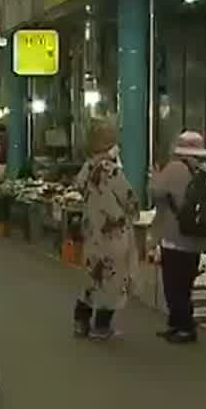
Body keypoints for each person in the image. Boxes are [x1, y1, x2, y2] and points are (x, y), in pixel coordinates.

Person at [72, 119, 137, 340]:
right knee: (113, 280)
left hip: (92, 232)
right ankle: (101, 326)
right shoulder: (111, 171)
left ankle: (81, 322)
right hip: (113, 235)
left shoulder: (87, 168)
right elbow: (129, 199)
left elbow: (79, 186)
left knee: (92, 277)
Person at [149, 131, 206, 344]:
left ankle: (184, 327)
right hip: (194, 238)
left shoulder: (174, 168)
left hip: (175, 236)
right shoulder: (203, 171)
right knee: (184, 286)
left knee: (173, 286)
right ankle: (177, 324)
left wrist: (155, 175)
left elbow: (156, 191)